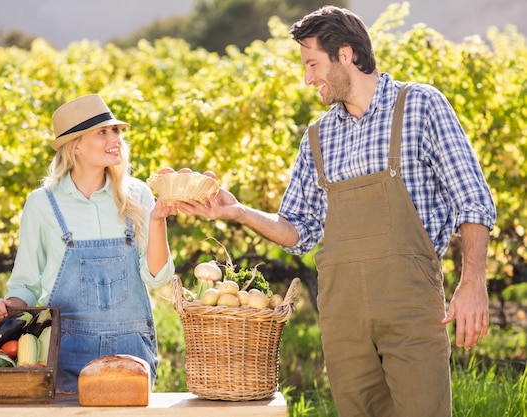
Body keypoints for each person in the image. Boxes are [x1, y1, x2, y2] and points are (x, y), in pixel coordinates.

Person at [174, 6, 496, 417]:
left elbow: (473, 198)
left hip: (410, 307)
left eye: (313, 64)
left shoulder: (419, 106)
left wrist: (473, 283)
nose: (308, 78)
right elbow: (298, 231)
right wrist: (238, 212)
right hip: (343, 317)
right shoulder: (317, 136)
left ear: (346, 55)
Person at [0, 94, 176, 393]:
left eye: (116, 131)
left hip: (131, 350)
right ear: (76, 146)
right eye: (102, 132)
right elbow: (26, 286)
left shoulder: (137, 195)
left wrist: (158, 220)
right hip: (65, 349)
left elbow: (157, 277)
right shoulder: (43, 204)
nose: (116, 139)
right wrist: (5, 307)